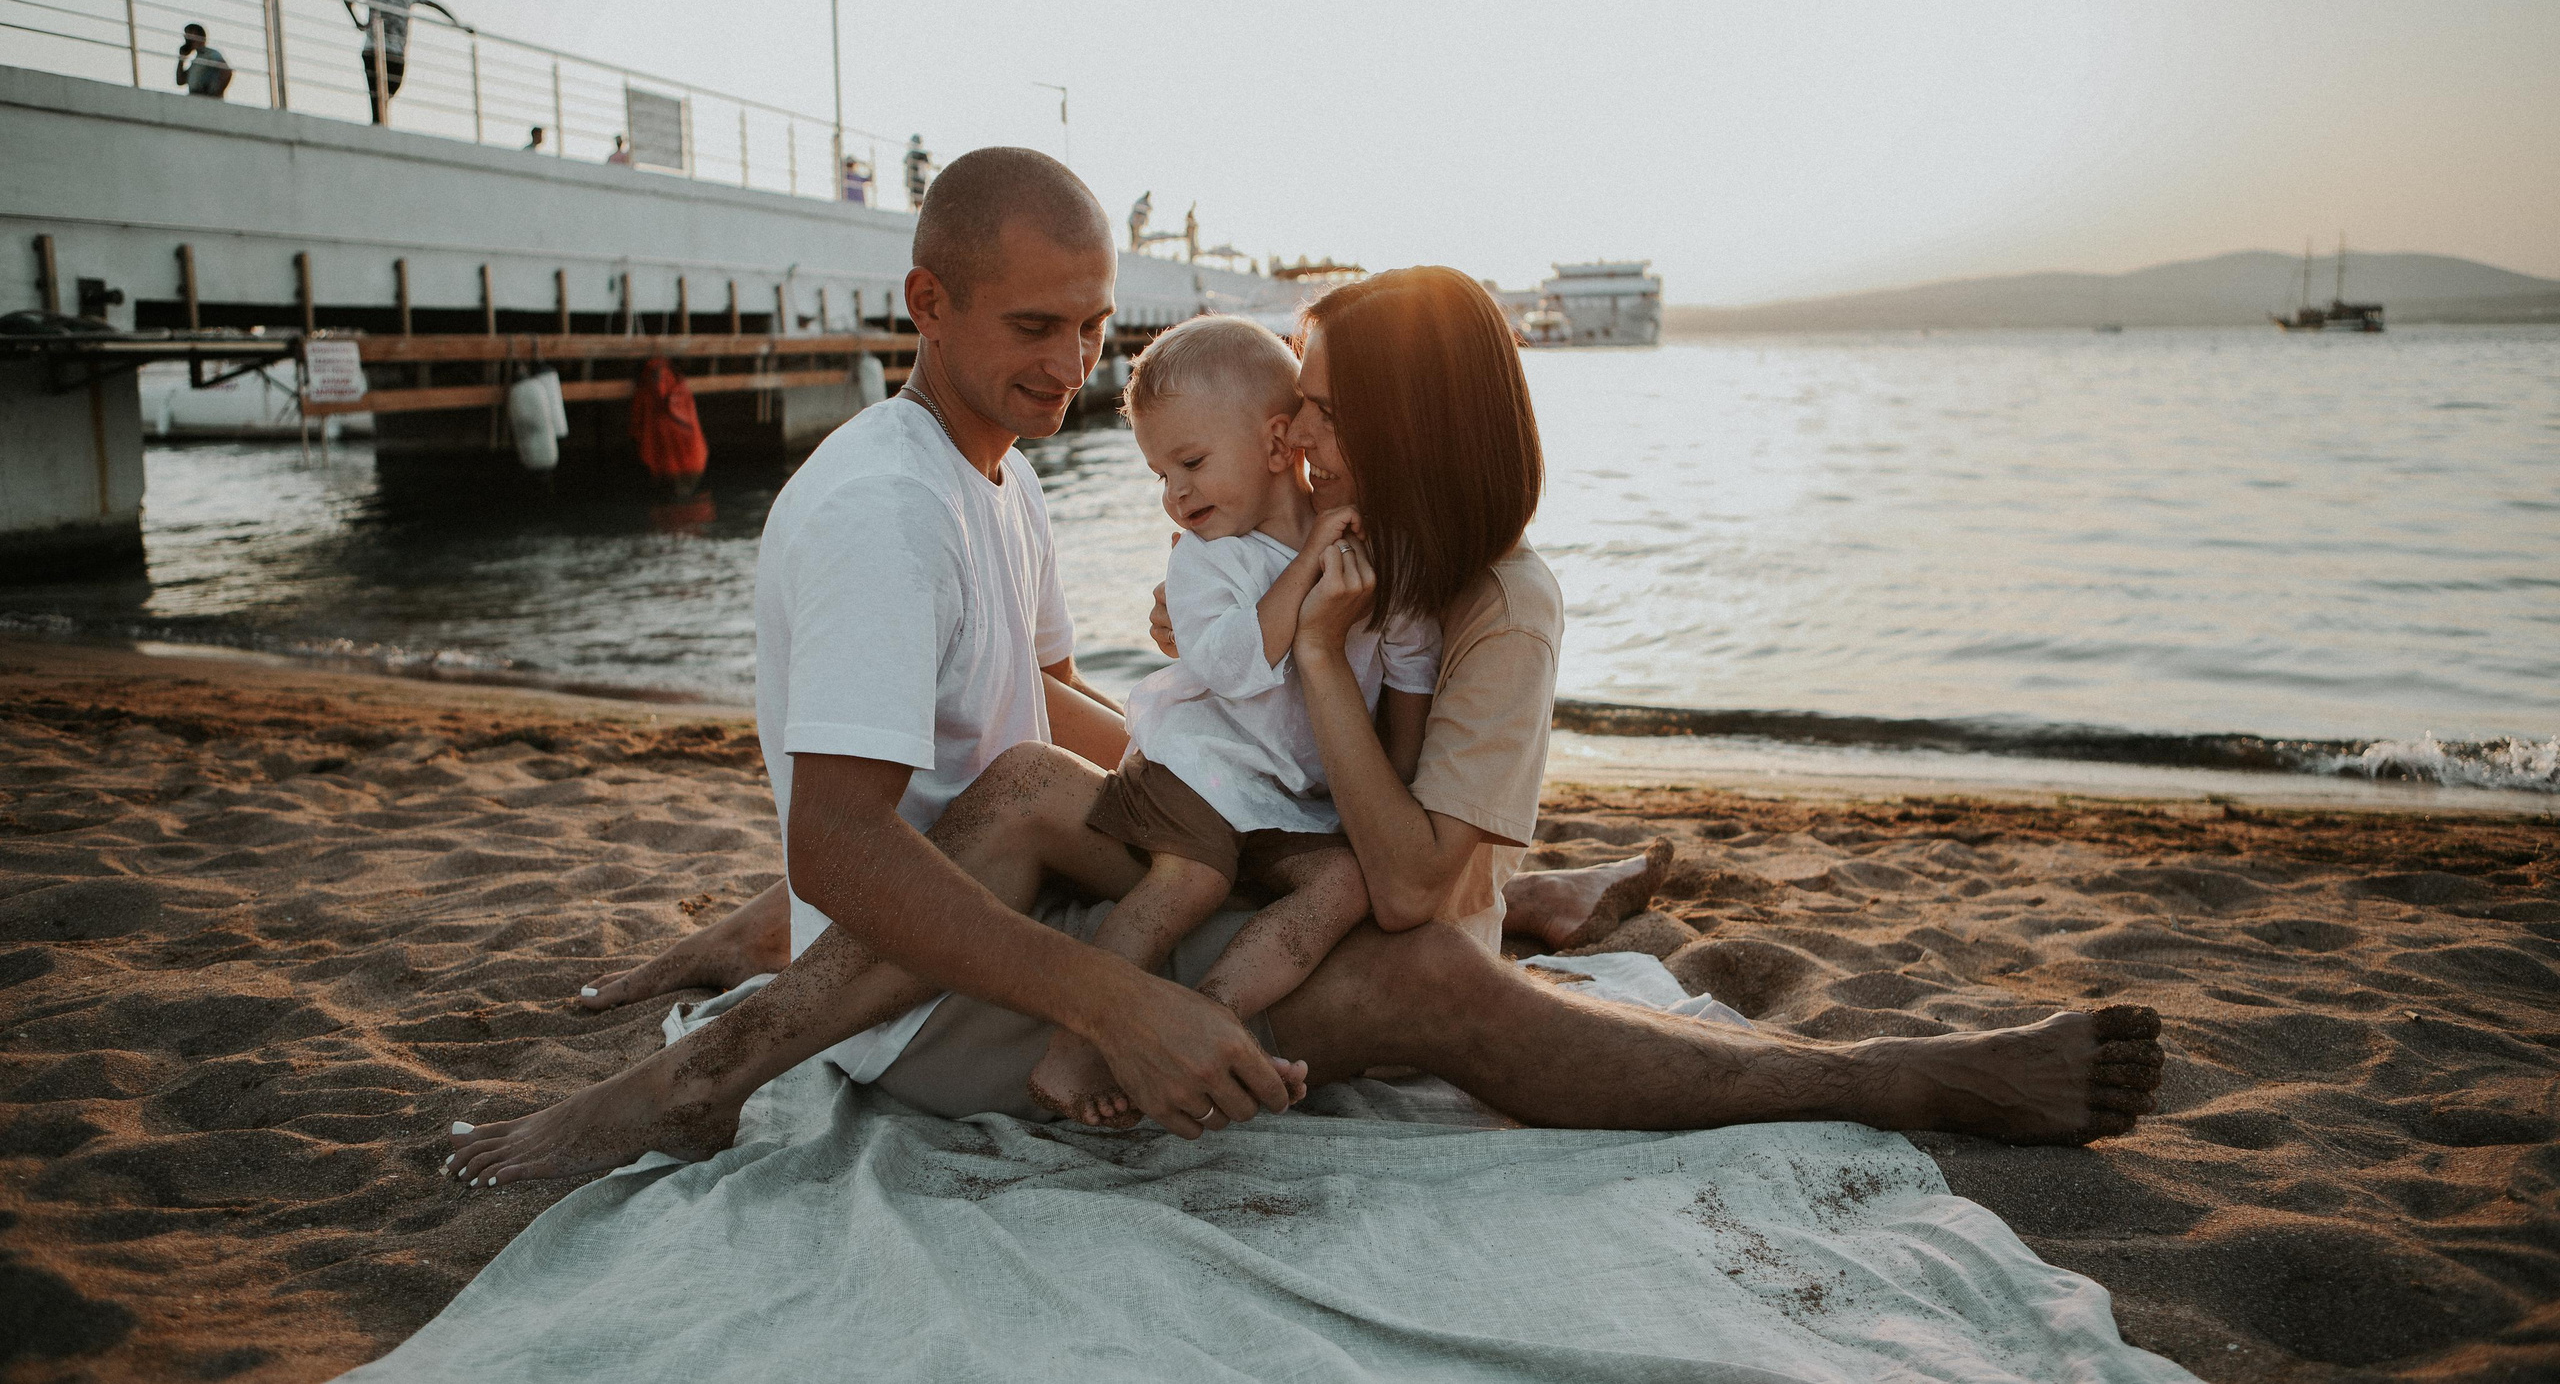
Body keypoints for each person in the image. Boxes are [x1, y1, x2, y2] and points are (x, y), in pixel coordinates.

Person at [445, 221, 2164, 1188]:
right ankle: (715, 1073)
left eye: (1319, 407)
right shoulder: (1231, 530)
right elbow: (1122, 750)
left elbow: (1404, 879)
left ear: (1398, 420)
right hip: (1277, 851)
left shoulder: (1493, 599)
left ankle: (1903, 1073)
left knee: (1439, 963)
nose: (1290, 434)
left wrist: (1324, 664)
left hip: (1376, 895)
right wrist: (770, 915)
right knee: (1043, 777)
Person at [1028, 315, 1437, 1125]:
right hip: (1199, 769)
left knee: (1344, 884)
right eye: (1159, 473)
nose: (1175, 494)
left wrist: (1399, 781)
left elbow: (1406, 654)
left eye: (1190, 463)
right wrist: (1312, 558)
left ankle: (1217, 1009)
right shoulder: (1206, 558)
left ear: (1278, 442)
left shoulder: (1357, 543)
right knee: (1193, 879)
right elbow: (1229, 664)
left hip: (1290, 796)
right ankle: (1071, 1046)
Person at [340, 0, 460, 125]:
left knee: (376, 90)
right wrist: (455, 22)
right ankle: (379, 122)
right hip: (396, 50)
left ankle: (378, 121)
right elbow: (434, 5)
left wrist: (358, 22)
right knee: (390, 88)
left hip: (372, 47)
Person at [174, 24, 231, 97]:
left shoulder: (211, 54)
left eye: (190, 35)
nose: (188, 39)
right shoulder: (196, 62)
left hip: (207, 99)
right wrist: (181, 59)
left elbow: (227, 72)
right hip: (195, 99)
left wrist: (215, 94)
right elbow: (180, 81)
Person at [903, 133, 934, 209]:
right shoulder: (919, 155)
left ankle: (915, 209)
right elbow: (927, 165)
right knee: (916, 198)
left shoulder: (912, 154)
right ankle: (915, 209)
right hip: (916, 180)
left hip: (916, 180)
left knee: (916, 198)